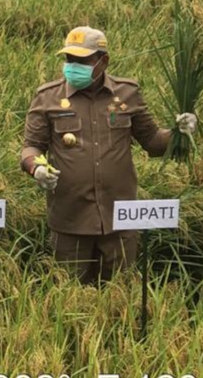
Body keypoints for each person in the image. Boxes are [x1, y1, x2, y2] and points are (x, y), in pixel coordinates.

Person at [21, 26, 197, 284]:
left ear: (103, 61)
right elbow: (31, 147)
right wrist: (37, 168)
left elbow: (153, 142)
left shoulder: (127, 93)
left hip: (120, 219)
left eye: (82, 60)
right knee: (70, 294)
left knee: (121, 290)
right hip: (71, 218)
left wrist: (180, 132)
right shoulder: (48, 97)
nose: (73, 65)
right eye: (69, 58)